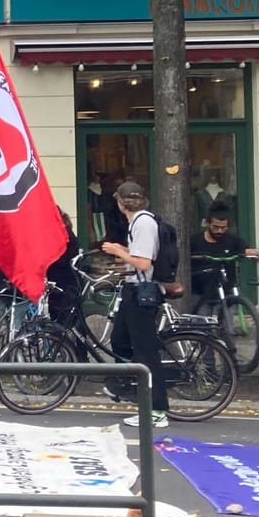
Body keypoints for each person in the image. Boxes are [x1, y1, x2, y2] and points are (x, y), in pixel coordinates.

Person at [102, 181, 170, 428]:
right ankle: (128, 388)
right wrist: (122, 249)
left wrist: (119, 252)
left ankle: (157, 409)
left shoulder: (142, 223)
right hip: (133, 290)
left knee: (145, 352)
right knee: (119, 340)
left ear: (121, 203)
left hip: (142, 292)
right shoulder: (140, 221)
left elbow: (143, 263)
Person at [190, 201, 257, 300]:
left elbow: (247, 250)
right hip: (200, 293)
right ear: (208, 224)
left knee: (228, 314)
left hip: (227, 292)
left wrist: (251, 253)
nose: (219, 231)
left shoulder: (233, 240)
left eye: (223, 228)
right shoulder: (194, 241)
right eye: (215, 227)